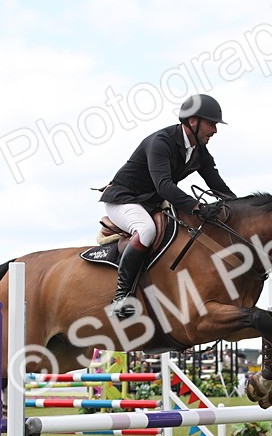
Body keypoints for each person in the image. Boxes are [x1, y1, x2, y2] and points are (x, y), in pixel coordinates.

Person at [98, 94, 235, 319]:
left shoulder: (199, 151)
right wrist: (198, 207)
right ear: (193, 121)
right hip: (124, 199)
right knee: (146, 230)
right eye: (211, 124)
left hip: (151, 203)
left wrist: (241, 209)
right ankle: (121, 298)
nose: (215, 131)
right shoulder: (161, 142)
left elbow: (218, 186)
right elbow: (163, 186)